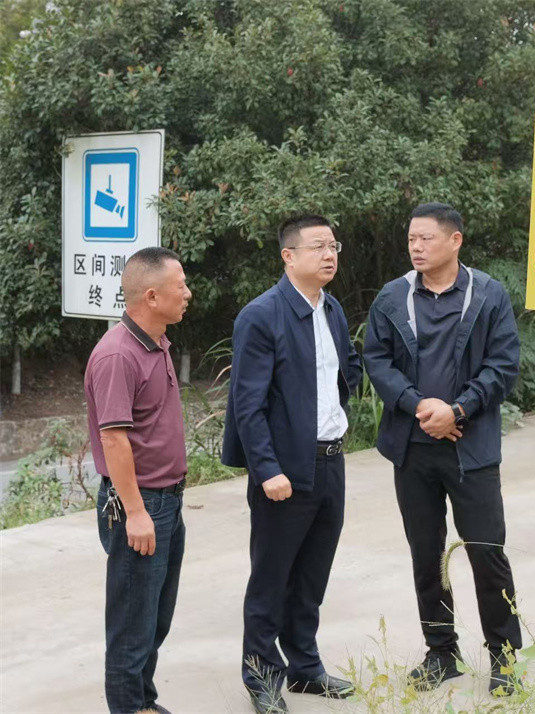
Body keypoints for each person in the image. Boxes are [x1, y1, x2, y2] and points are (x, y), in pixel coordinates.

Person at [363, 202, 523, 696]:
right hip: (413, 449)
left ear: (455, 240)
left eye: (426, 238)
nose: (416, 247)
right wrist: (418, 405)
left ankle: (504, 657)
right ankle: (441, 653)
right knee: (427, 555)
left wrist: (458, 410)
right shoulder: (393, 296)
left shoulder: (487, 294)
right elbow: (377, 360)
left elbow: (503, 365)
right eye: (412, 239)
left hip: (471, 450)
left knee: (486, 553)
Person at [222, 214, 362, 714]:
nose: (329, 255)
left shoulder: (332, 308)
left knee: (311, 576)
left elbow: (345, 369)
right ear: (288, 256)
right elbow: (248, 404)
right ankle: (261, 677)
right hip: (284, 470)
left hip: (330, 461)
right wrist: (267, 469)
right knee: (272, 578)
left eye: (334, 246)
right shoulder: (261, 315)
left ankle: (304, 667)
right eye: (318, 246)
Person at [85, 247, 192, 714]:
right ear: (151, 296)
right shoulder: (117, 355)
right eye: (180, 286)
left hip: (167, 502)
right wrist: (136, 513)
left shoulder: (156, 341)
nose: (187, 293)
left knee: (154, 620)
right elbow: (114, 441)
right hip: (141, 505)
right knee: (132, 627)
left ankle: (144, 702)